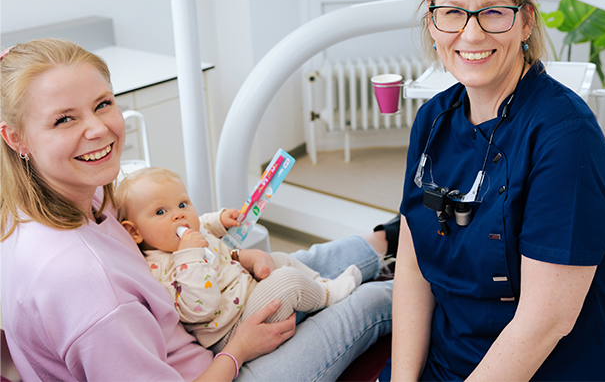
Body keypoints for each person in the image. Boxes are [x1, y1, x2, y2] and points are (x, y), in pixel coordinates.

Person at [0, 39, 392, 382]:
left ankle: (389, 239)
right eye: (64, 119)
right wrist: (238, 350)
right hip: (216, 365)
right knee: (367, 304)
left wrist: (235, 255)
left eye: (103, 104)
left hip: (196, 322)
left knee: (290, 260)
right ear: (15, 137)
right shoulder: (85, 281)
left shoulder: (61, 204)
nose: (98, 129)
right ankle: (424, 277)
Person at [385, 0, 605, 382]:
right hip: (448, 361)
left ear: (526, 20)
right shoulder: (432, 120)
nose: (471, 35)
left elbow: (544, 324)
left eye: (493, 12)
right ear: (433, 23)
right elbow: (414, 269)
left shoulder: (565, 135)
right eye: (453, 12)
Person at [116, 166, 362, 352]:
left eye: (182, 204)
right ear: (134, 232)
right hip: (232, 329)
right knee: (286, 281)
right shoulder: (158, 267)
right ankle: (329, 297)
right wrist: (189, 256)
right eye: (161, 212)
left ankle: (321, 285)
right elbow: (200, 309)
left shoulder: (186, 233)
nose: (179, 216)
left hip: (246, 296)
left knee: (278, 259)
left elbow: (202, 223)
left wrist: (220, 220)